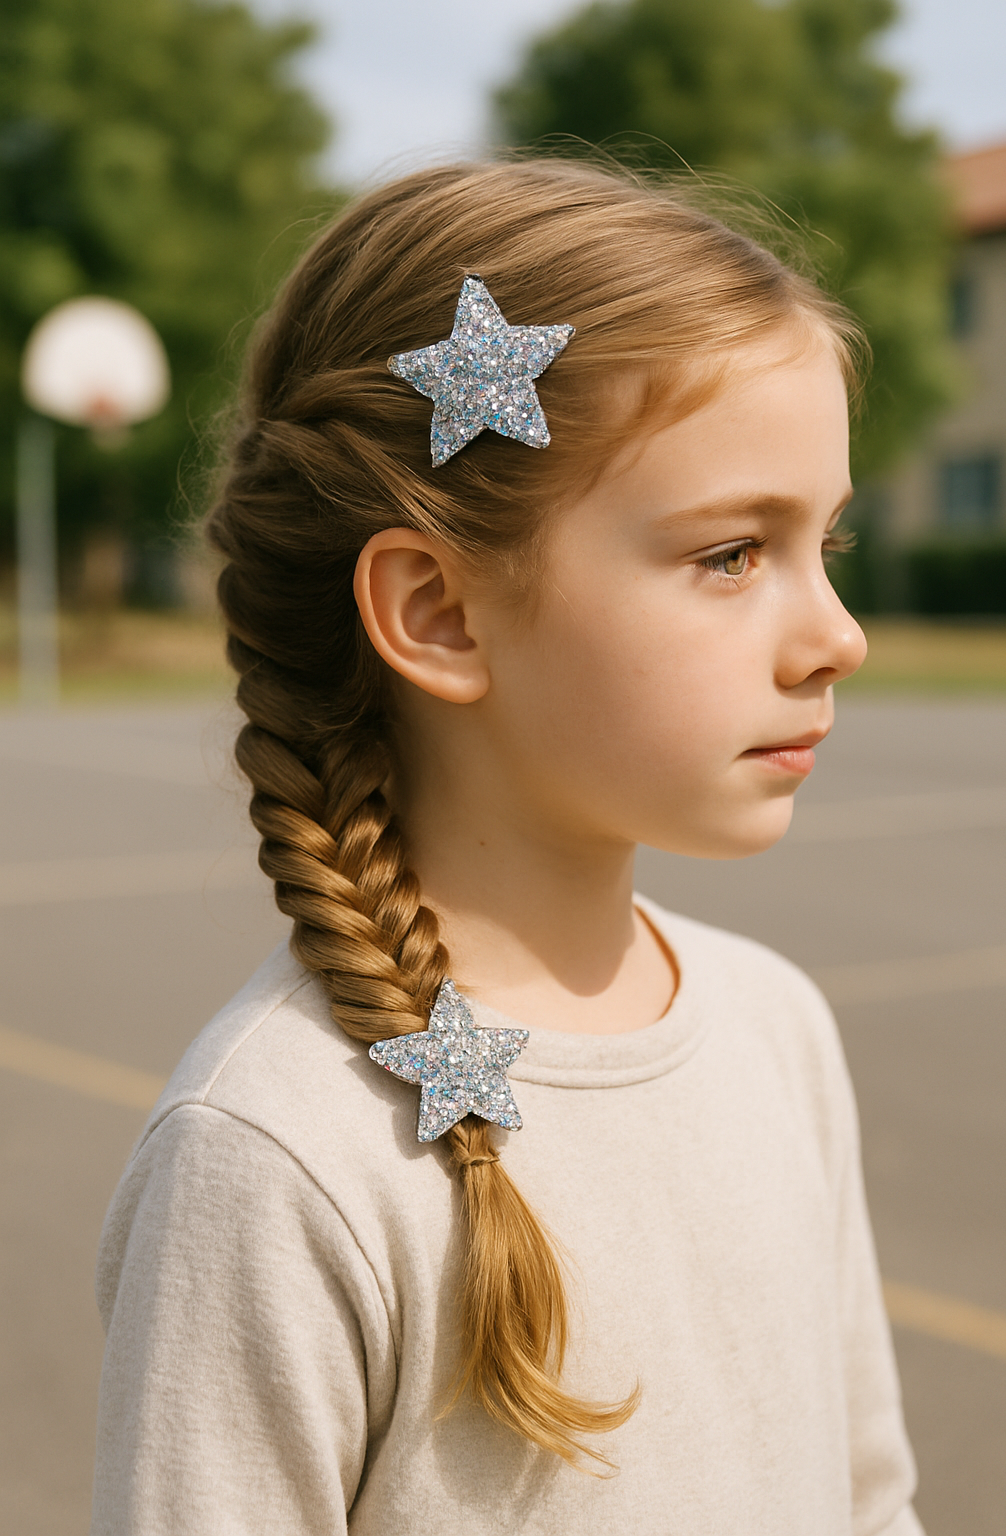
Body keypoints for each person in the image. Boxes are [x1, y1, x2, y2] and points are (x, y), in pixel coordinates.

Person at [91, 159, 924, 1535]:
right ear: (439, 611)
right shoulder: (278, 1150)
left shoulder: (780, 1028)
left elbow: (871, 1504)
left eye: (825, 544)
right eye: (731, 553)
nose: (839, 635)